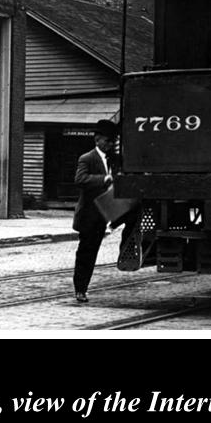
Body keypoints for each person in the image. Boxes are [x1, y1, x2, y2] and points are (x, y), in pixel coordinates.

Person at [72, 119, 137, 303]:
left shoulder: (116, 159)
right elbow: (80, 179)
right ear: (97, 139)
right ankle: (80, 289)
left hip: (112, 207)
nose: (110, 145)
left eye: (113, 141)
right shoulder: (87, 158)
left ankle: (126, 248)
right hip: (91, 214)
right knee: (87, 253)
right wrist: (105, 179)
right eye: (107, 141)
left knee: (135, 213)